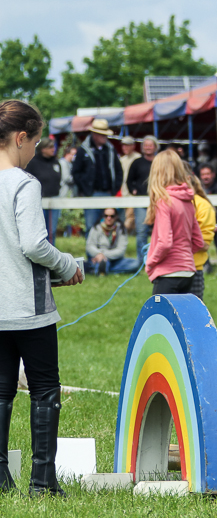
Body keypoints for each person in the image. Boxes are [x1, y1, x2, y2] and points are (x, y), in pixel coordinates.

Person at [0, 99, 84, 497]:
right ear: (20, 138)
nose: (35, 150)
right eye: (35, 142)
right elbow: (34, 244)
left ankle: (1, 478)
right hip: (28, 311)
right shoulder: (23, 183)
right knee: (45, 389)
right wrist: (66, 265)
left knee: (0, 392)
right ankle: (42, 481)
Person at [144, 151, 206, 295]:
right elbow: (198, 242)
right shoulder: (187, 201)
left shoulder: (164, 201)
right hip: (188, 272)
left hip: (168, 273)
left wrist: (151, 261)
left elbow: (165, 242)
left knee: (159, 317)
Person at [71, 119, 123, 230]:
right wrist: (86, 189)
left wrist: (114, 189)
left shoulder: (110, 150)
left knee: (108, 226)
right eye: (102, 135)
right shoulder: (83, 150)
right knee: (91, 226)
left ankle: (107, 248)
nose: (105, 137)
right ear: (95, 134)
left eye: (105, 135)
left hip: (108, 193)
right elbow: (75, 173)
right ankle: (90, 248)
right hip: (91, 194)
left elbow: (119, 171)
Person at [126, 136, 158, 265]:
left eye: (150, 145)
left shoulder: (160, 161)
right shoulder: (137, 162)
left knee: (160, 232)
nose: (148, 147)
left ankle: (157, 260)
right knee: (141, 232)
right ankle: (142, 262)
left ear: (155, 147)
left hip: (158, 201)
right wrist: (133, 190)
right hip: (141, 202)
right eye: (145, 145)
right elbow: (129, 180)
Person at [25, 138, 61, 246]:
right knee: (40, 230)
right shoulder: (32, 162)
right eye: (50, 147)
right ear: (42, 149)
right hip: (38, 201)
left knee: (52, 230)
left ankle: (52, 253)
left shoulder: (56, 161)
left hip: (54, 200)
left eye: (53, 147)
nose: (53, 150)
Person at [84, 208, 140, 276]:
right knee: (99, 262)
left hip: (114, 260)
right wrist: (99, 254)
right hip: (98, 259)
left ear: (116, 216)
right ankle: (102, 268)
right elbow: (90, 246)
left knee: (135, 264)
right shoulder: (96, 227)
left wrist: (103, 255)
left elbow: (121, 250)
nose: (109, 218)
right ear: (103, 216)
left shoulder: (121, 228)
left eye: (112, 216)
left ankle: (99, 269)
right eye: (106, 216)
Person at [187, 174, 216, 299]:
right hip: (168, 270)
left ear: (188, 179)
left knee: (192, 316)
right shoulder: (168, 202)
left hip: (193, 268)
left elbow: (203, 244)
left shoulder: (202, 205)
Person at [119, 136, 140, 232]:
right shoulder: (122, 160)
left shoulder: (138, 158)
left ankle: (122, 233)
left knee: (130, 216)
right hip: (124, 192)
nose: (125, 148)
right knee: (128, 215)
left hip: (133, 193)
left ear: (133, 146)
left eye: (127, 145)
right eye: (123, 146)